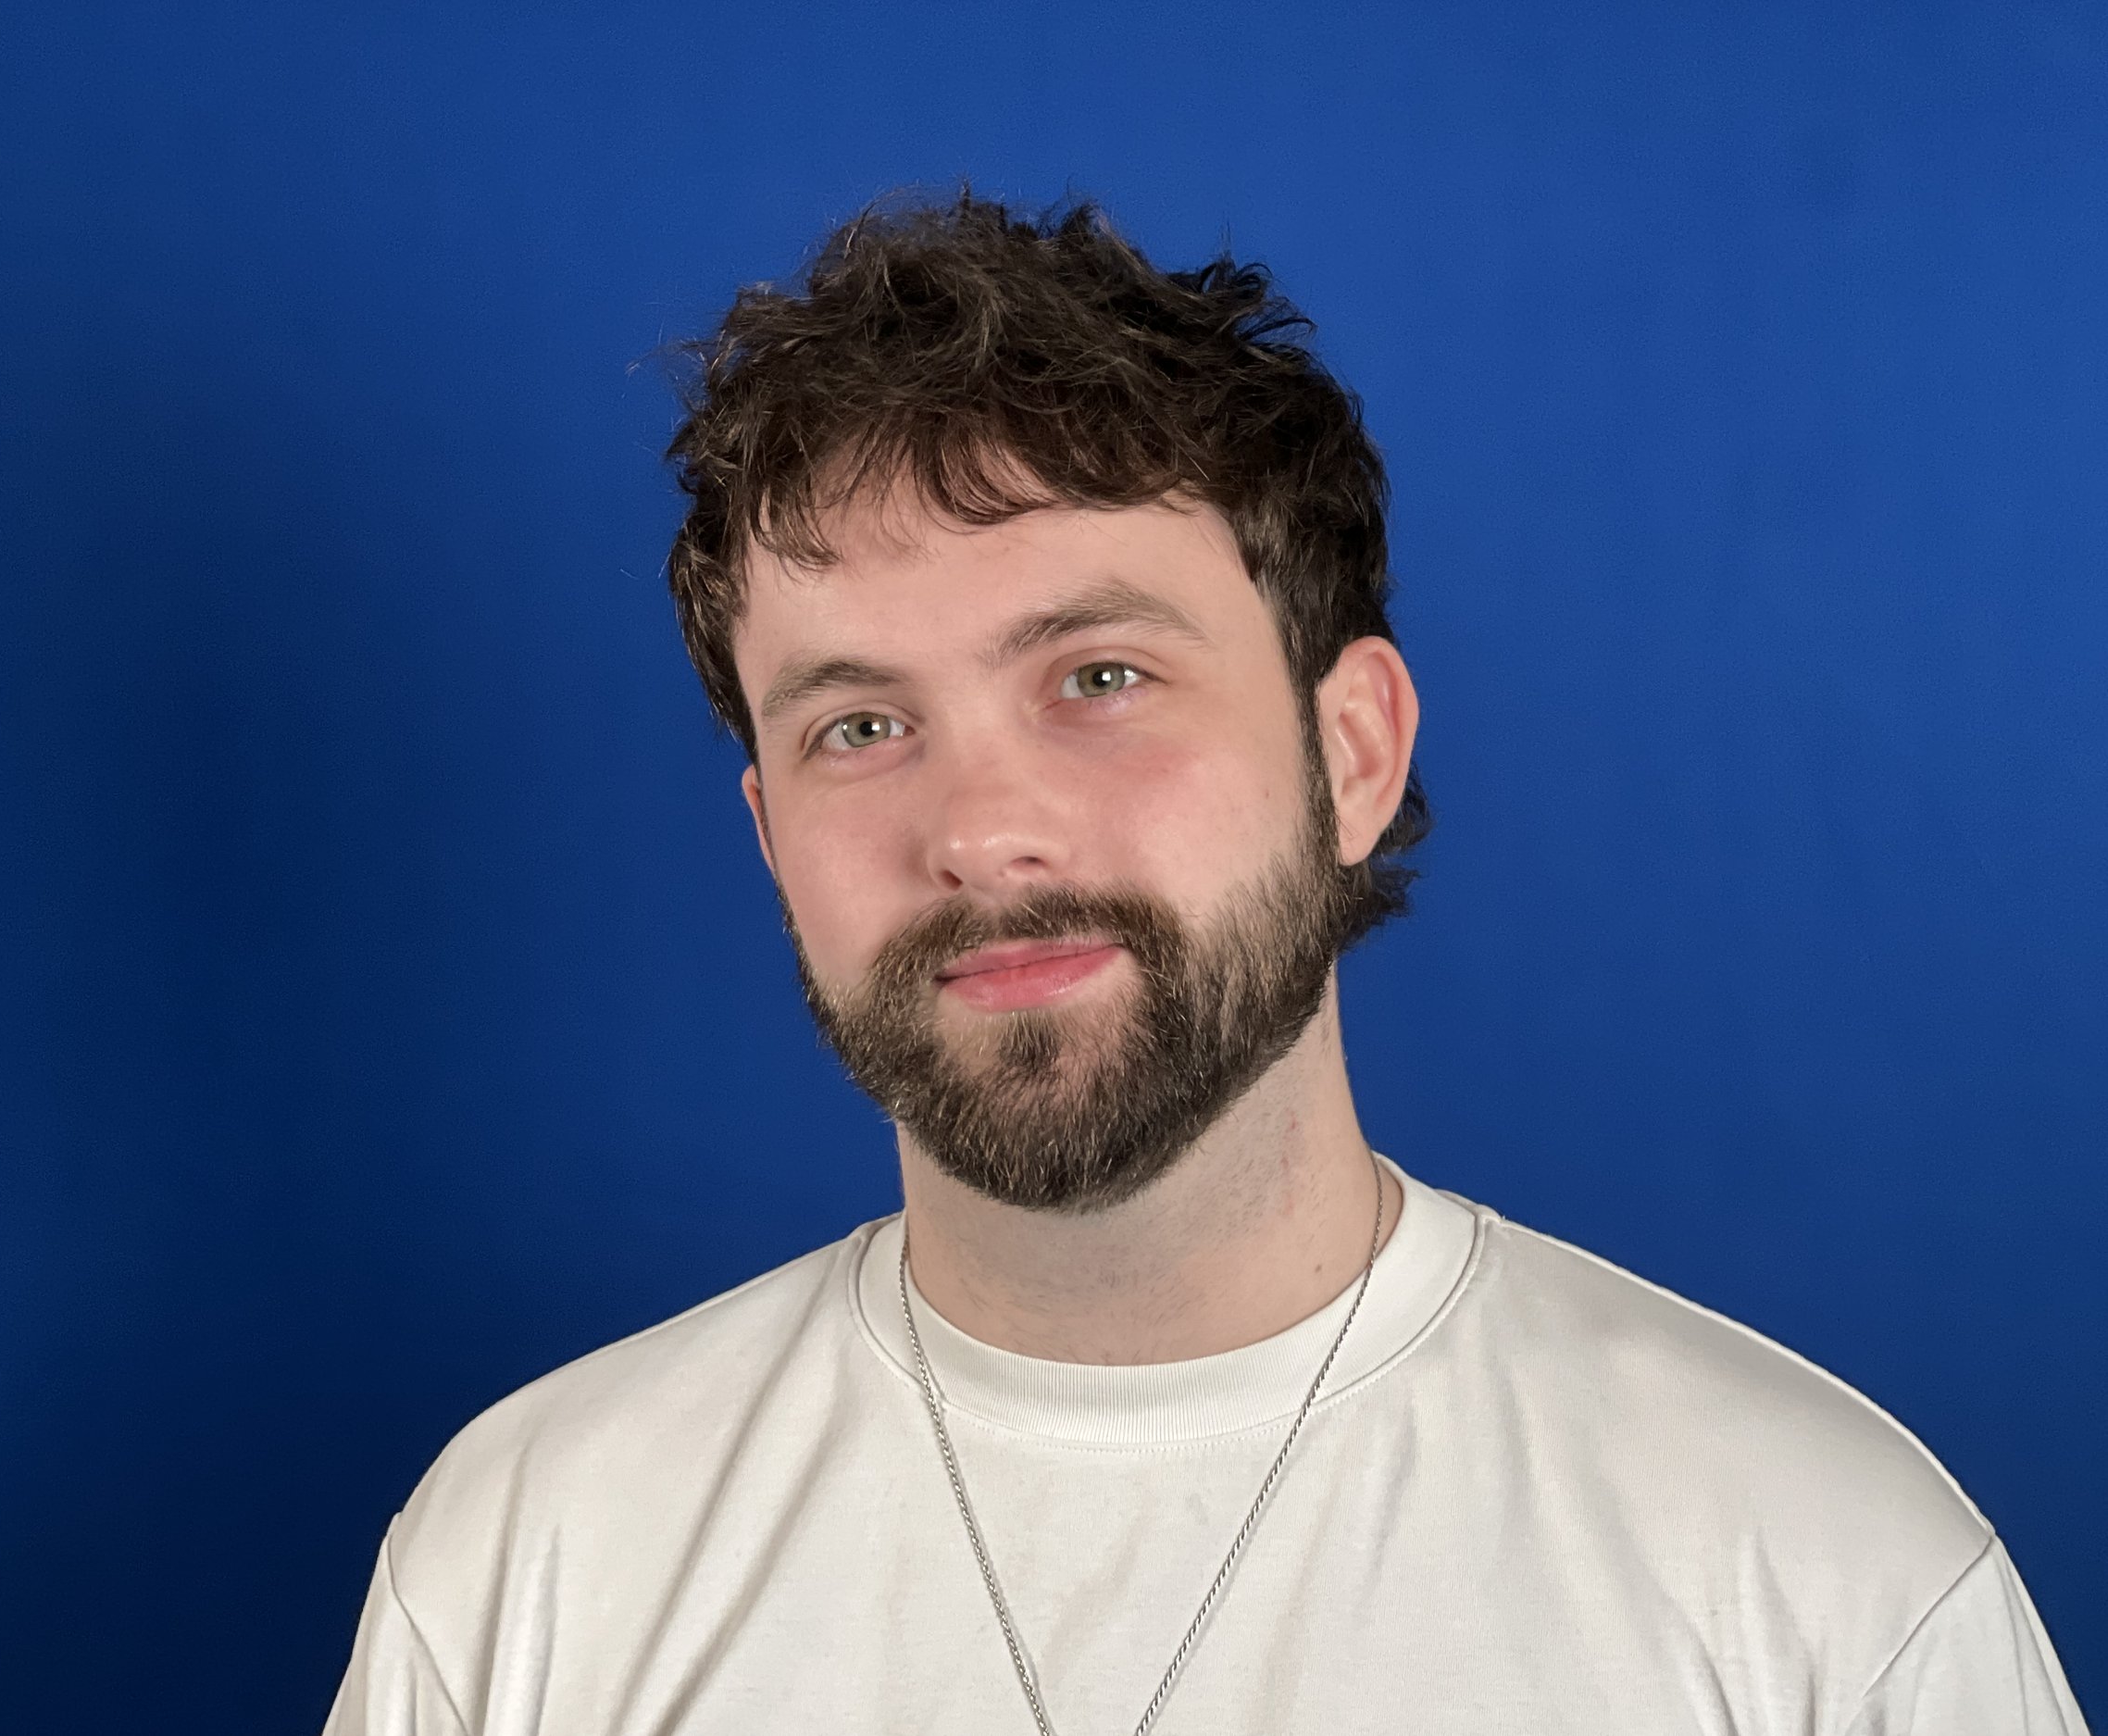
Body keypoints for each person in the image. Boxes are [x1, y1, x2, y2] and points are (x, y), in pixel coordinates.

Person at [322, 195, 2086, 1736]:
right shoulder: (521, 1565)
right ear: (774, 841)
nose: (983, 831)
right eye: (861, 723)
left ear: (1356, 754)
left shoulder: (1822, 1575)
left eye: (1098, 677)